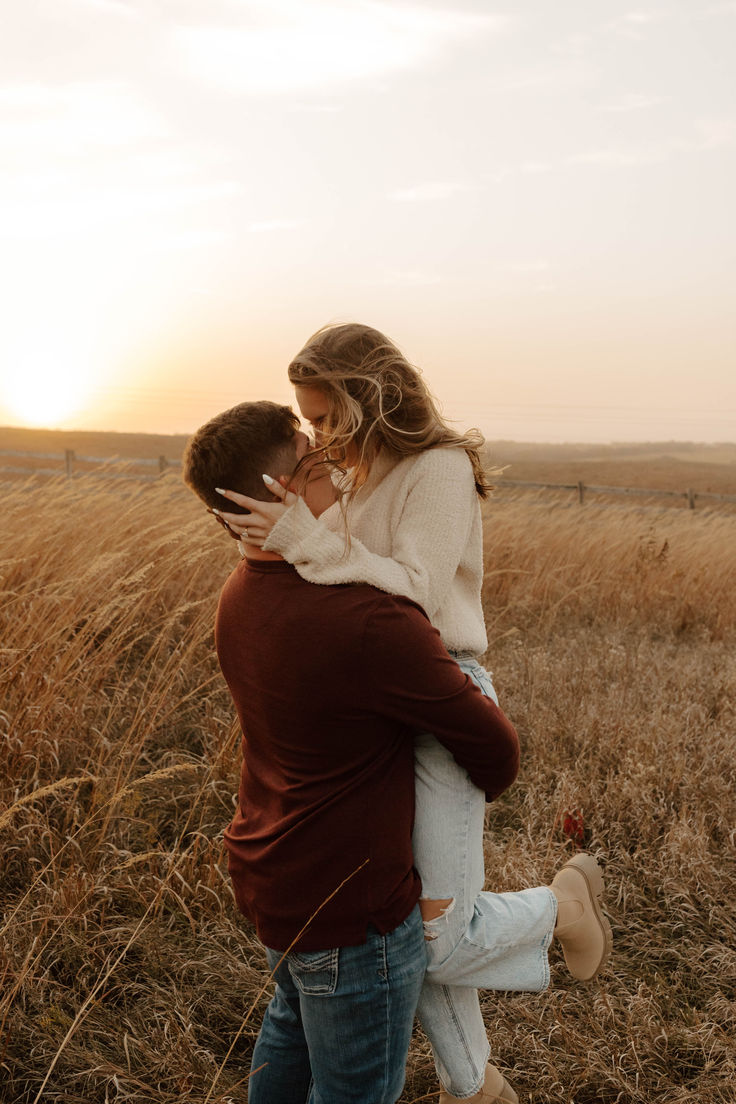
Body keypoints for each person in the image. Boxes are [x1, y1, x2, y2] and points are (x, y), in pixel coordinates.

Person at [213, 325, 613, 1103]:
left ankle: (560, 908)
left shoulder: (440, 468)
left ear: (369, 395)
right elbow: (331, 592)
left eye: (327, 417)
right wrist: (290, 543)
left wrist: (308, 541)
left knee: (432, 933)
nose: (320, 439)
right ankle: (478, 1085)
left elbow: (416, 595)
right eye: (310, 424)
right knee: (407, 923)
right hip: (380, 693)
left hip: (442, 684)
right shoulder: (353, 473)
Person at [182, 400, 524, 1104]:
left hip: (274, 883)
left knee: (291, 1030)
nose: (337, 472)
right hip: (354, 913)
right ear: (276, 497)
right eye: (313, 463)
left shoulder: (237, 596)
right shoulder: (368, 619)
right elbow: (496, 752)